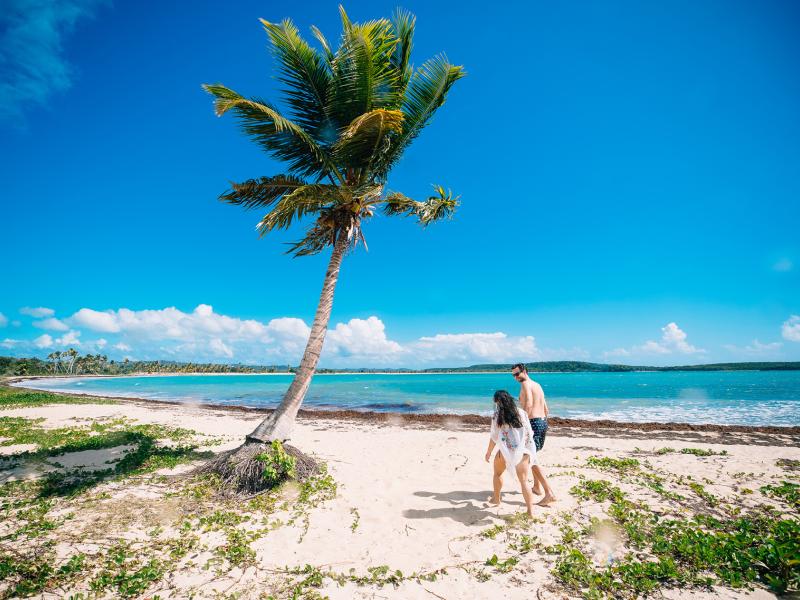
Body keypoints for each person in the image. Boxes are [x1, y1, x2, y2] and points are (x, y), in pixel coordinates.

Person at [484, 390, 537, 516]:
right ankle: (530, 512)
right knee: (524, 482)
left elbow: (494, 437)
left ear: (497, 402)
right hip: (523, 452)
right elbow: (530, 433)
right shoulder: (522, 413)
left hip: (505, 451)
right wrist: (528, 450)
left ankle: (497, 499)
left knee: (497, 474)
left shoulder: (497, 416)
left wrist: (488, 452)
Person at [512, 363, 557, 506]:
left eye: (517, 374)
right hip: (542, 422)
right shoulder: (537, 385)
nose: (516, 377)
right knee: (532, 456)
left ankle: (549, 492)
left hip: (533, 422)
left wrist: (521, 420)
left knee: (530, 457)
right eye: (513, 375)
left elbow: (529, 404)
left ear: (524, 371)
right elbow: (546, 408)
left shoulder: (525, 384)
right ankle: (537, 487)